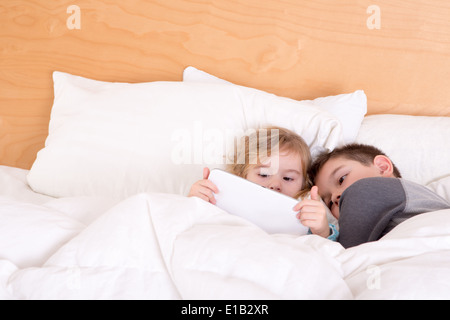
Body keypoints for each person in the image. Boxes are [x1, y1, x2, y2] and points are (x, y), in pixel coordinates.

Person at [188, 126, 338, 240]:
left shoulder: (304, 205)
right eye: (264, 174)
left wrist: (321, 230)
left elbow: (327, 247)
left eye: (288, 178)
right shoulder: (227, 193)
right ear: (242, 174)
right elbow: (194, 226)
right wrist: (197, 201)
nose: (275, 184)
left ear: (303, 183)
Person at [303, 143, 450, 248]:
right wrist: (323, 232)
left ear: (382, 167)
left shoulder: (363, 190)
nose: (335, 196)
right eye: (328, 202)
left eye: (342, 179)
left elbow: (347, 255)